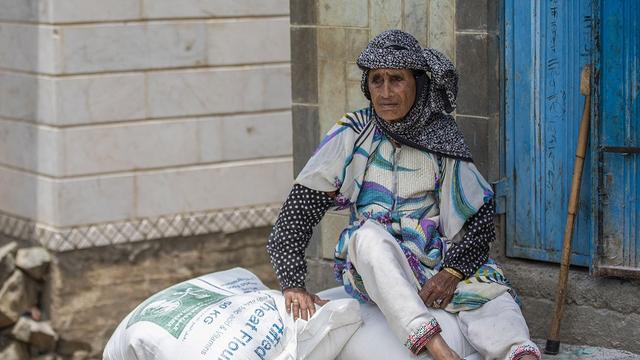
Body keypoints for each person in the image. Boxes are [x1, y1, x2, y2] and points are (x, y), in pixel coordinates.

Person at [267, 30, 540, 360]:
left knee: (493, 295)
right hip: (378, 265)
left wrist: (451, 273)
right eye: (376, 80)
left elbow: (480, 216)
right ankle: (439, 350)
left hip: (434, 259)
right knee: (365, 238)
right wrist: (293, 283)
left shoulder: (442, 135)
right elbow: (297, 212)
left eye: (396, 79)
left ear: (418, 82)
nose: (385, 92)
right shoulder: (354, 132)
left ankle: (520, 354)